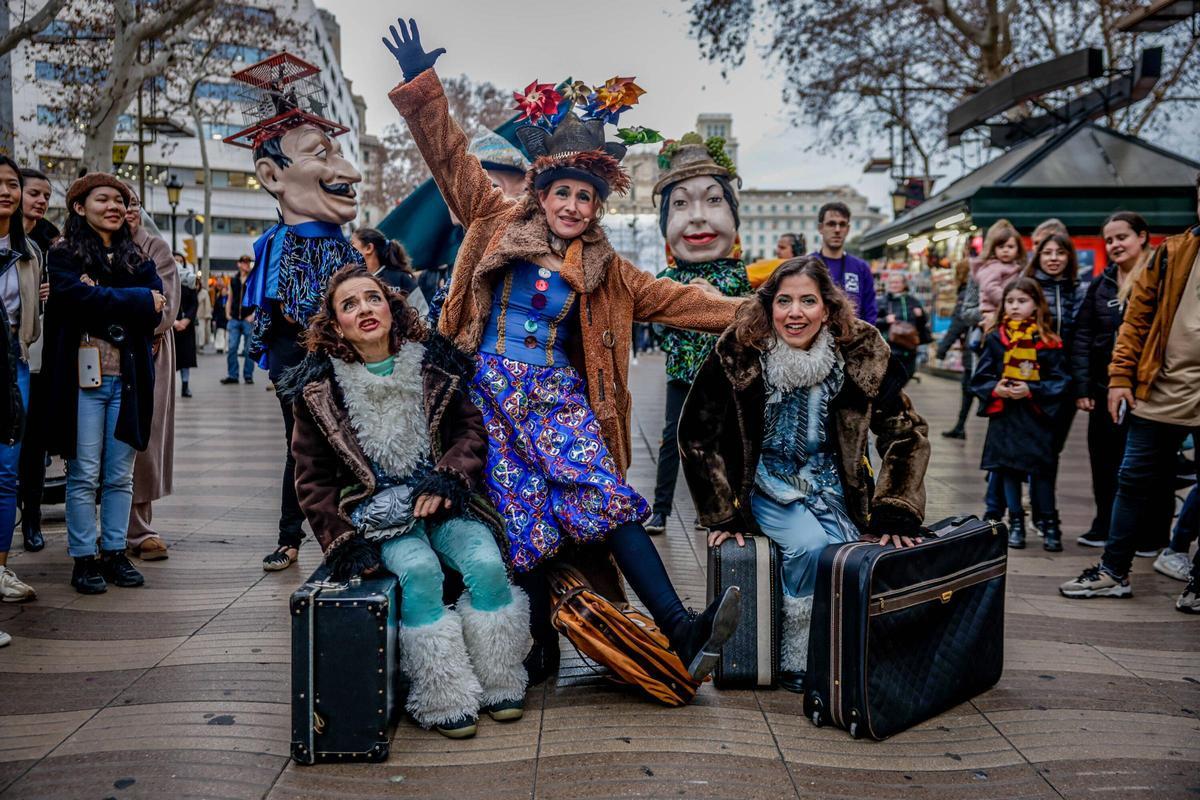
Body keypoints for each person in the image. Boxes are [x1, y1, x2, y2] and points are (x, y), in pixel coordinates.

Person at [384, 18, 743, 685]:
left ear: (595, 206)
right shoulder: (492, 217)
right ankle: (534, 647)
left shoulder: (607, 265)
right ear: (540, 194)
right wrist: (422, 88)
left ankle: (682, 629)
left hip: (555, 400)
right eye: (563, 193)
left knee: (606, 500)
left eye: (586, 196)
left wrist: (765, 312)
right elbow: (450, 158)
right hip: (485, 394)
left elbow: (681, 301)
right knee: (519, 521)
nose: (573, 205)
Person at [287, 266, 529, 738]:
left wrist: (448, 480)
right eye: (349, 305)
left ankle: (501, 679)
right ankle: (444, 696)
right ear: (337, 325)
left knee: (486, 562)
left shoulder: (434, 364)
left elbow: (469, 431)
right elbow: (310, 478)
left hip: (443, 500)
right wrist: (342, 542)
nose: (364, 310)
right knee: (418, 572)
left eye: (372, 299)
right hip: (380, 516)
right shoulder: (318, 392)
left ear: (391, 308)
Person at [679, 257, 931, 691]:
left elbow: (906, 431)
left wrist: (896, 507)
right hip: (767, 483)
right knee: (809, 548)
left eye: (808, 301)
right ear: (768, 307)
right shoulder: (739, 351)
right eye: (785, 301)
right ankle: (799, 654)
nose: (795, 313)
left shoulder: (860, 353)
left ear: (828, 310)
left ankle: (841, 647)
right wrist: (721, 513)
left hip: (837, 485)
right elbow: (696, 435)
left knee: (848, 553)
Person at [233, 62, 366, 571]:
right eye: (320, 154)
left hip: (344, 363)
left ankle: (351, 532)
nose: (348, 172)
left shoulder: (340, 246)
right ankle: (301, 537)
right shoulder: (283, 246)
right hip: (302, 366)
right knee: (306, 449)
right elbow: (284, 312)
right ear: (271, 177)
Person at [1060, 174, 1200, 613]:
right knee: (1131, 478)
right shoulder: (1173, 252)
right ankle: (1113, 571)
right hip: (1158, 389)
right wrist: (1119, 378)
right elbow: (1136, 320)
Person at [43, 173, 166, 594]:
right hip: (82, 382)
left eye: (120, 199)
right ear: (80, 207)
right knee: (83, 473)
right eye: (103, 199)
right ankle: (84, 557)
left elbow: (156, 307)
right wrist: (133, 299)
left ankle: (114, 552)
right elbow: (74, 298)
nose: (114, 206)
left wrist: (109, 296)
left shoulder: (136, 257)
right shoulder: (63, 255)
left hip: (128, 381)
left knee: (120, 475)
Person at [645, 132, 752, 536]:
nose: (698, 217)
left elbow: (756, 316)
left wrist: (722, 301)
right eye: (681, 204)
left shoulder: (738, 275)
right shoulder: (667, 279)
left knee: (726, 441)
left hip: (726, 372)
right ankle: (660, 508)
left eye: (713, 200)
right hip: (682, 372)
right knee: (672, 440)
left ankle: (719, 508)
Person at [971, 277, 1069, 550]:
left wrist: (1032, 389)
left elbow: (1060, 381)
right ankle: (1015, 521)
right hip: (1006, 417)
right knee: (1007, 470)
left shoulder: (1048, 342)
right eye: (1010, 301)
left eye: (1022, 301)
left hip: (1036, 416)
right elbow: (981, 377)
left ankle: (1049, 523)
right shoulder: (995, 338)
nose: (1015, 306)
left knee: (1042, 471)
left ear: (1037, 306)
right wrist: (996, 388)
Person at [125, 190, 180, 562]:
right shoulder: (83, 246)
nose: (122, 210)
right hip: (94, 354)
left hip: (150, 349)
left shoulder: (155, 247)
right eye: (113, 201)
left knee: (143, 438)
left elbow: (166, 306)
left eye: (130, 203)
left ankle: (138, 528)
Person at [0, 156, 45, 609]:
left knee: (6, 471)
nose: (6, 192)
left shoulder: (28, 253)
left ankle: (1, 566)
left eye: (12, 184)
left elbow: (27, 319)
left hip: (12, 364)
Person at [1020, 232, 1083, 550]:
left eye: (1061, 252)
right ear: (1038, 256)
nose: (1054, 258)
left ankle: (1041, 513)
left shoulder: (1079, 290)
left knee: (1049, 452)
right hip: (1032, 381)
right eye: (1048, 252)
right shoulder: (1030, 288)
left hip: (1065, 384)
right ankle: (1046, 519)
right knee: (1040, 454)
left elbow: (1085, 338)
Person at [16, 167, 54, 553]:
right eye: (34, 193)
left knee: (33, 447)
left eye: (45, 195)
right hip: (10, 358)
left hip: (35, 361)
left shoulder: (40, 246)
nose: (41, 201)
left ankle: (32, 520)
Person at [937, 258, 982, 439]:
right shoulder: (970, 291)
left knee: (970, 386)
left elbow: (958, 322)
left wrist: (943, 348)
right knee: (969, 387)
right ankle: (960, 425)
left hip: (974, 346)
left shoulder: (966, 293)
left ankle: (961, 426)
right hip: (977, 345)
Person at [810, 202, 876, 324]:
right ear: (820, 228)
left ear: (848, 229)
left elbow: (870, 311)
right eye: (831, 224)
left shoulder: (861, 268)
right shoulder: (807, 265)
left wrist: (865, 340)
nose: (837, 230)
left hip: (853, 339)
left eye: (842, 224)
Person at [350, 226, 429, 318]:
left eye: (352, 243)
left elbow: (423, 314)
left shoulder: (401, 278)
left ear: (368, 248)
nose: (347, 249)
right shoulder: (352, 282)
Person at [874, 271, 930, 385]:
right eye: (892, 283)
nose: (894, 285)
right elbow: (871, 322)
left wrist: (921, 316)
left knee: (906, 376)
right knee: (889, 381)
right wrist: (885, 320)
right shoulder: (881, 301)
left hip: (909, 348)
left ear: (904, 284)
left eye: (897, 282)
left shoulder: (912, 301)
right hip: (889, 348)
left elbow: (922, 323)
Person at [973, 220, 1026, 327]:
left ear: (1018, 249)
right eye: (1001, 247)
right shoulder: (992, 267)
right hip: (993, 310)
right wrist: (1009, 302)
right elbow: (990, 287)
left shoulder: (1019, 268)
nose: (1005, 250)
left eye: (1010, 247)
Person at [222, 255, 257, 385]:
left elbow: (257, 299)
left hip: (248, 318)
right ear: (239, 264)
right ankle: (233, 375)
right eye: (244, 262)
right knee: (232, 348)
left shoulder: (253, 279)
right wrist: (227, 314)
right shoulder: (233, 280)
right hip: (234, 319)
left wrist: (253, 314)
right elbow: (230, 298)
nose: (247, 264)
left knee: (249, 349)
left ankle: (248, 375)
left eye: (248, 262)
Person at [174, 262, 199, 398]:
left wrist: (186, 320)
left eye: (179, 260)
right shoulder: (167, 280)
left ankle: (185, 386)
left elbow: (194, 304)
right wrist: (173, 322)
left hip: (186, 326)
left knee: (185, 358)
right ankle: (169, 387)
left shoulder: (190, 282)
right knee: (170, 359)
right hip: (171, 326)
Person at [195, 272, 212, 351]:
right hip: (193, 316)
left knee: (201, 331)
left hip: (201, 315)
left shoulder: (204, 293)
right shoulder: (192, 292)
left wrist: (207, 315)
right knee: (195, 332)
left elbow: (207, 305)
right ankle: (195, 345)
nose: (196, 286)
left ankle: (201, 345)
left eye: (198, 284)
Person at [212, 276, 229, 353]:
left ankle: (227, 347)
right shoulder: (218, 300)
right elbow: (215, 310)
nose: (224, 292)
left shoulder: (229, 300)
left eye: (225, 291)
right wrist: (214, 319)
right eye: (223, 291)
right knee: (220, 333)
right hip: (219, 318)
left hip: (227, 318)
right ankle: (219, 347)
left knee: (227, 334)